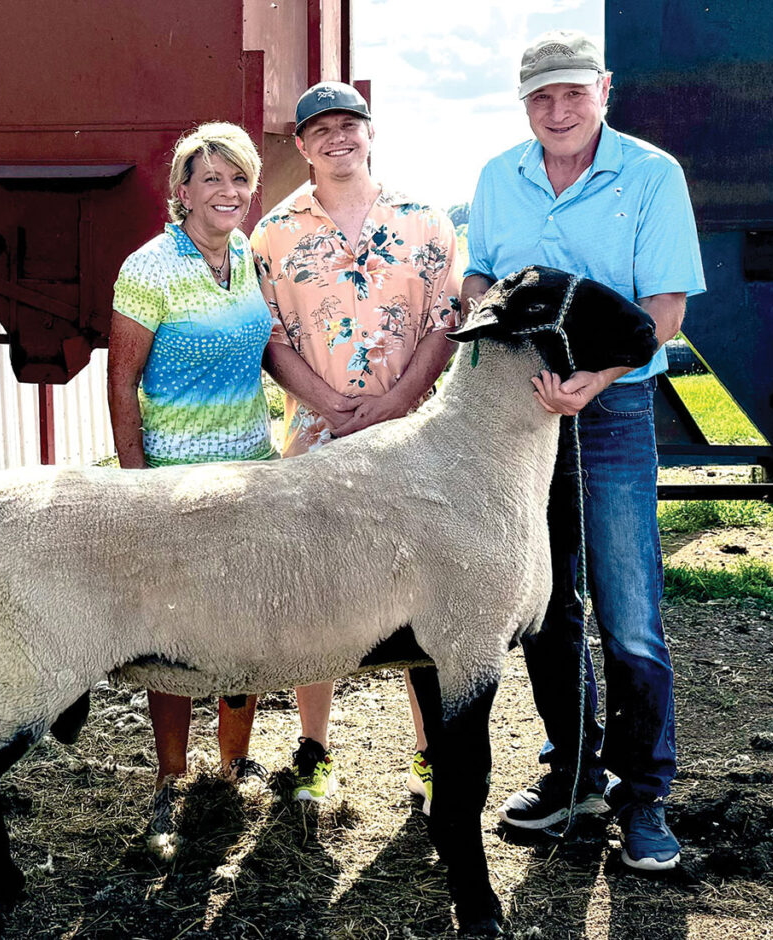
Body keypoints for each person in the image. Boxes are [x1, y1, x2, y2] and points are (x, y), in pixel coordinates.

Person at [462, 30, 705, 870]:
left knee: (629, 616)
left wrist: (594, 383)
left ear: (605, 89)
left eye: (572, 93)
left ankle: (647, 802)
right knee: (546, 608)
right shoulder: (501, 177)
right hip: (523, 420)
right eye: (540, 97)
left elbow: (663, 313)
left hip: (611, 413)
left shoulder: (651, 175)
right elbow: (481, 281)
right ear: (523, 102)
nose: (557, 111)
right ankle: (573, 776)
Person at [251, 82, 460, 807]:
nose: (338, 137)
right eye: (322, 130)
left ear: (370, 133)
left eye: (350, 125)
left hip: (416, 443)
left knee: (423, 599)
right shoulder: (273, 234)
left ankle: (432, 755)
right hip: (318, 442)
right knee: (317, 597)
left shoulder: (427, 224)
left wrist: (398, 402)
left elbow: (444, 322)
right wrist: (331, 405)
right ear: (303, 146)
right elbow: (269, 338)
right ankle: (313, 750)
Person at [108, 122, 275, 847]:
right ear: (182, 191)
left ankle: (233, 767)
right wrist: (135, 485)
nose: (228, 192)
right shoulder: (148, 268)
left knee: (248, 624)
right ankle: (170, 781)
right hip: (175, 484)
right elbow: (121, 382)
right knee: (173, 637)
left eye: (239, 178)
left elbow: (268, 354)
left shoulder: (248, 256)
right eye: (211, 179)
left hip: (251, 474)